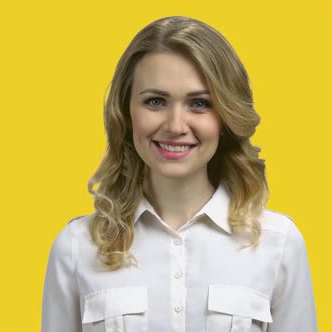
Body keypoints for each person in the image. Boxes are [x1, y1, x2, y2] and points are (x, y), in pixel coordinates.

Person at [41, 16, 317, 332]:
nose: (175, 125)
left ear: (226, 117)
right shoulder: (76, 248)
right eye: (155, 101)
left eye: (199, 104)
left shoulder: (278, 243)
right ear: (126, 113)